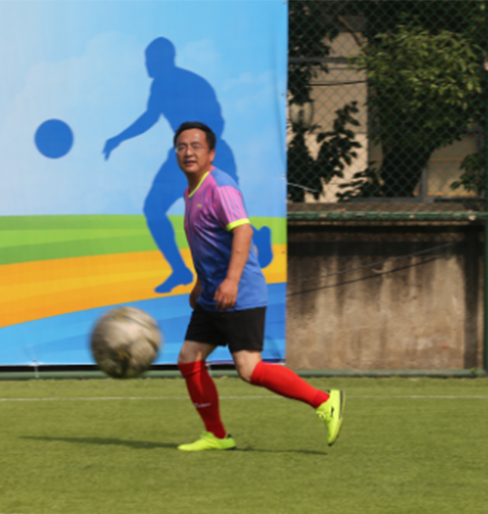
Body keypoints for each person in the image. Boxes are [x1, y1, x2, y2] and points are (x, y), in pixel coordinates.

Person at [173, 121, 344, 451]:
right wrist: (200, 282)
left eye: (196, 146)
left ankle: (325, 402)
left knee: (249, 369)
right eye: (182, 146)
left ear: (211, 153)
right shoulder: (191, 191)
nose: (188, 152)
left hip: (240, 293)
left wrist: (231, 281)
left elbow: (243, 231)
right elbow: (208, 243)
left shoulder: (221, 187)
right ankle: (217, 436)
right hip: (212, 294)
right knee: (188, 358)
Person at [103, 37, 238, 293]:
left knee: (228, 219)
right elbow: (150, 117)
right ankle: (180, 270)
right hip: (182, 157)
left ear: (163, 60)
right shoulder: (159, 85)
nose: (146, 65)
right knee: (153, 208)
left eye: (149, 60)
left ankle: (252, 246)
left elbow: (217, 122)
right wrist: (119, 138)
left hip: (214, 155)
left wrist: (205, 155)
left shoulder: (194, 83)